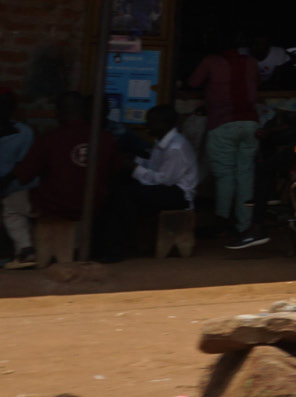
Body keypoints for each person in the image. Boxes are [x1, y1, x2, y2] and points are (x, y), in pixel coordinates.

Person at [3, 92, 107, 266]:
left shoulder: (51, 140)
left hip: (54, 204)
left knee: (10, 205)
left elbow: (24, 174)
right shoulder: (105, 139)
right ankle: (73, 251)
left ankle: (25, 250)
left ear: (60, 112)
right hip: (91, 205)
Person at [187, 37, 264, 248]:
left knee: (224, 176)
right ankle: (244, 227)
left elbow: (193, 83)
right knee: (245, 174)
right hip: (250, 123)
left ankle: (222, 223)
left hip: (222, 123)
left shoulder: (210, 61)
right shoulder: (250, 62)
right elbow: (257, 83)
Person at [100, 105, 198, 263]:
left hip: (179, 195)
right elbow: (154, 167)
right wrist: (135, 161)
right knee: (118, 184)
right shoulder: (163, 143)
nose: (147, 126)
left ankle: (117, 248)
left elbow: (163, 181)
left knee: (127, 194)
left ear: (165, 124)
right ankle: (110, 241)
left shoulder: (175, 147)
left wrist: (134, 168)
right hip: (167, 188)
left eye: (152, 123)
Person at [0, 89, 38, 269]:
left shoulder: (24, 133)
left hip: (16, 186)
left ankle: (25, 252)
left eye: (6, 105)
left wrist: (5, 181)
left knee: (12, 208)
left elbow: (24, 167)